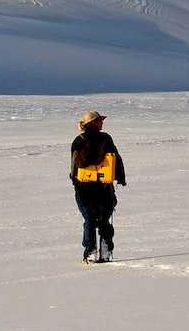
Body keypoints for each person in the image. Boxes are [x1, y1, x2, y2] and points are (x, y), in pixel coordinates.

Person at [70, 110, 126, 263]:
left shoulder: (78, 141)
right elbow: (116, 160)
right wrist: (120, 178)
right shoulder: (105, 139)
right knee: (103, 220)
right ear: (92, 123)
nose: (102, 122)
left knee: (89, 219)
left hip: (84, 188)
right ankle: (106, 249)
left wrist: (76, 183)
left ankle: (90, 252)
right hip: (104, 187)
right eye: (100, 120)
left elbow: (74, 169)